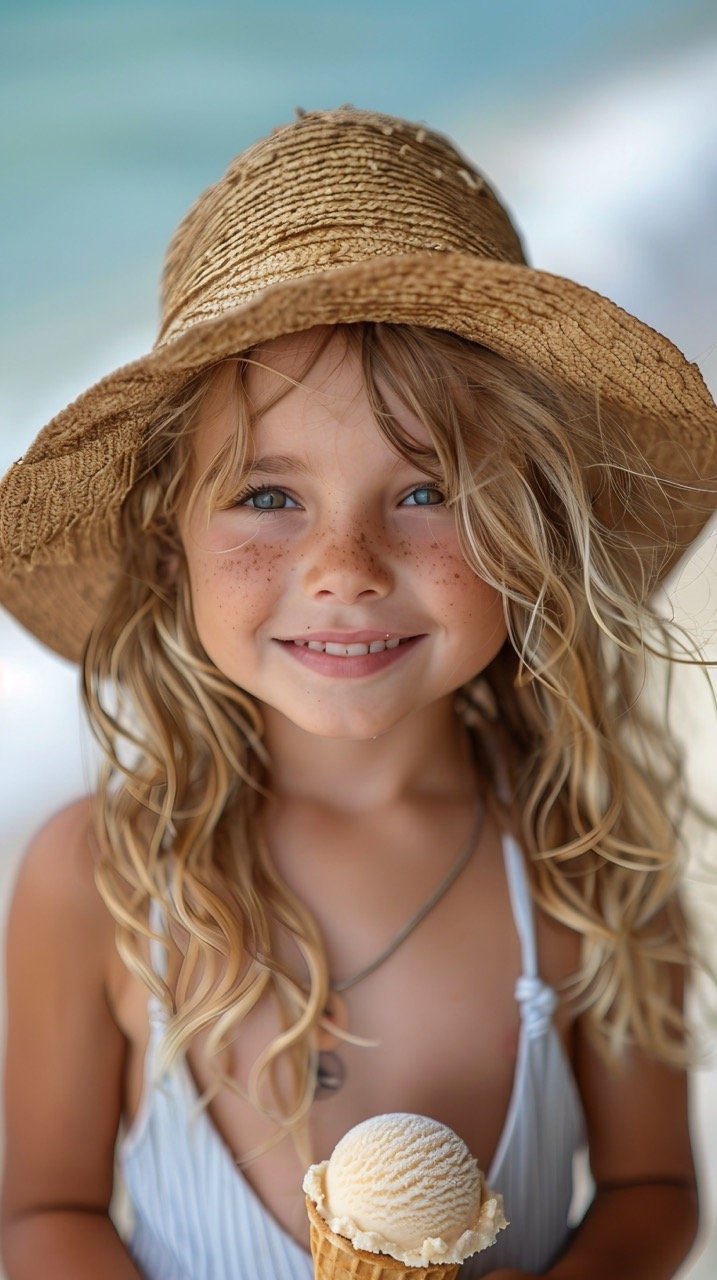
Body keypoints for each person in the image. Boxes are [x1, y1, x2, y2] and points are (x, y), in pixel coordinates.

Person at [0, 106, 715, 1280]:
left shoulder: (586, 860)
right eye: (269, 496)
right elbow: (44, 1213)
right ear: (166, 536)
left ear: (529, 527)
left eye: (427, 489)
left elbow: (653, 1191)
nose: (346, 564)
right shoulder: (100, 878)